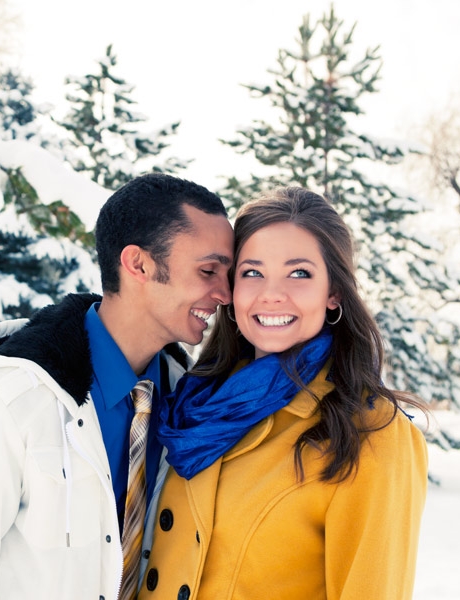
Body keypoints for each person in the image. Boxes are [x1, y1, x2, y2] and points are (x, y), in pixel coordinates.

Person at [0, 173, 234, 600]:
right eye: (208, 271)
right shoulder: (15, 398)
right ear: (139, 264)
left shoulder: (191, 409)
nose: (225, 294)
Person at [138, 187, 428, 600]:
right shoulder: (191, 404)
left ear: (334, 293)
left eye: (299, 273)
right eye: (252, 272)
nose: (271, 294)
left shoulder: (371, 433)